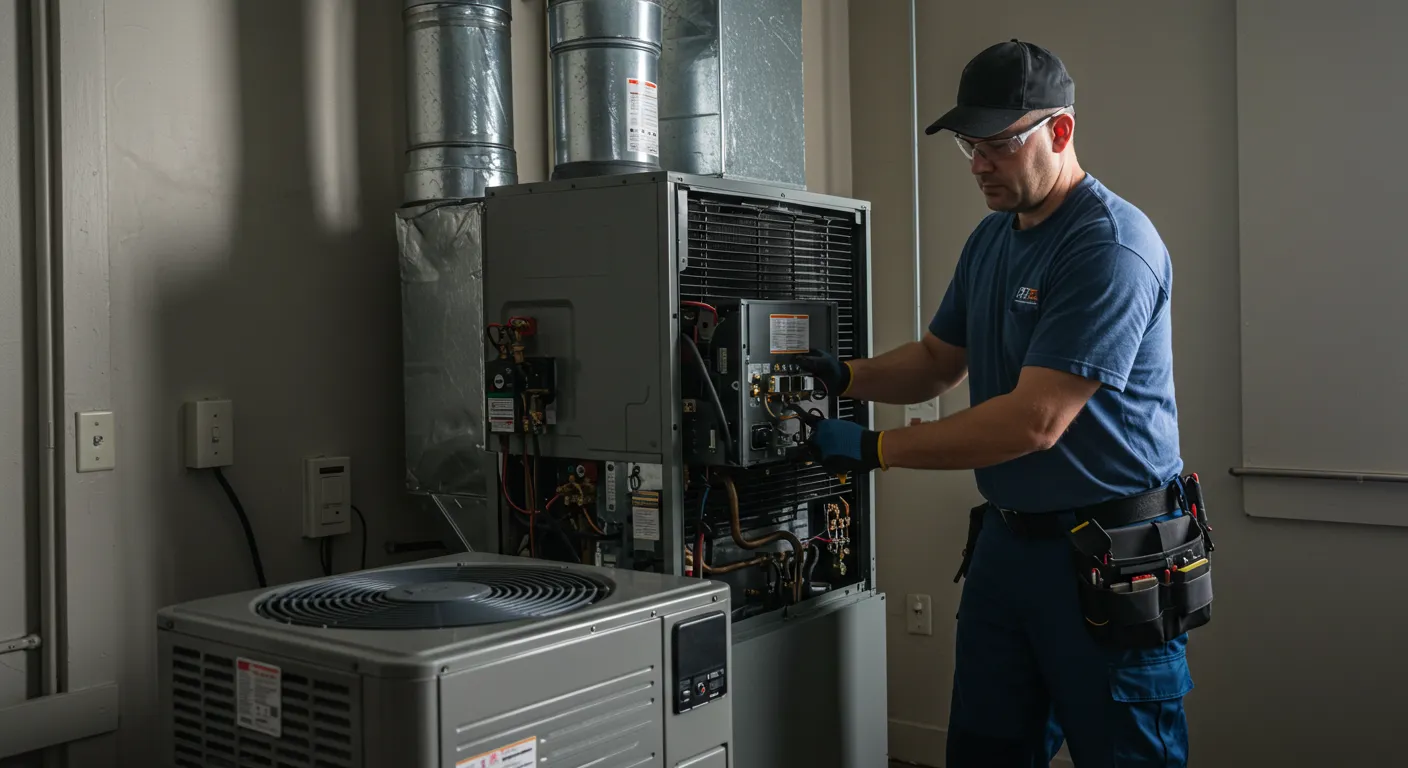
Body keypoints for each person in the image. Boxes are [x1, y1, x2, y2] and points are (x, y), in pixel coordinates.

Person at [798, 40, 1196, 767]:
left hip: (1108, 554)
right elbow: (937, 362)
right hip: (1009, 554)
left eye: (998, 145)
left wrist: (875, 450)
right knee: (985, 750)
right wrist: (844, 378)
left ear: (1061, 132)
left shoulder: (1109, 246)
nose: (979, 164)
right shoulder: (991, 241)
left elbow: (1035, 421)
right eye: (969, 145)